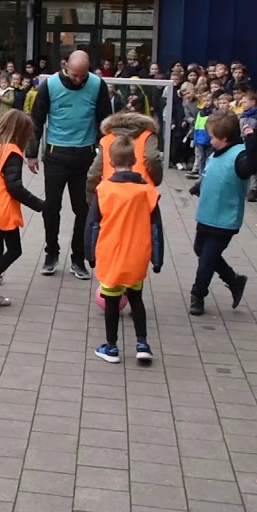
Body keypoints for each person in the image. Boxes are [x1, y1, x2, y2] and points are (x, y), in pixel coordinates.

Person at [26, 50, 113, 279]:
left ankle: (78, 258)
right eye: (74, 75)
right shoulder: (50, 85)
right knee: (51, 207)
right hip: (56, 154)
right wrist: (31, 153)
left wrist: (107, 156)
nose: (78, 80)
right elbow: (37, 119)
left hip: (85, 157)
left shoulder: (96, 85)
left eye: (82, 76)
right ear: (65, 66)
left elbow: (106, 121)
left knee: (83, 209)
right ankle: (51, 253)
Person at [88, 135, 163, 364]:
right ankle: (142, 343)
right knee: (136, 299)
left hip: (111, 255)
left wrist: (90, 255)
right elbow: (156, 229)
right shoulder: (147, 191)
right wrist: (157, 259)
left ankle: (111, 347)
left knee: (111, 304)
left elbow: (92, 226)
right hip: (137, 256)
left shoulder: (103, 190)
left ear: (110, 162)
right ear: (135, 160)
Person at [187, 110, 257, 316]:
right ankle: (233, 280)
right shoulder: (216, 154)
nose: (210, 140)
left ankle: (198, 294)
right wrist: (198, 186)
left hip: (224, 220)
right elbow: (211, 173)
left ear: (223, 138)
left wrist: (252, 141)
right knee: (201, 251)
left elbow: (252, 166)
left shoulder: (240, 155)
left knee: (207, 259)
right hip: (206, 215)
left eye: (212, 136)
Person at [0, 109, 44, 309]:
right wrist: (39, 204)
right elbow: (14, 186)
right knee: (14, 250)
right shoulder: (12, 152)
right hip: (3, 206)